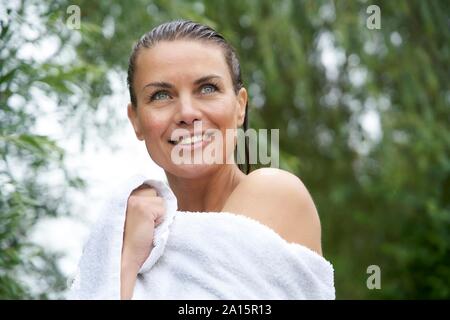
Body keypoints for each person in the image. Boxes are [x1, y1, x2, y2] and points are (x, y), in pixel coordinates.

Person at [121, 20, 324, 299]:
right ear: (136, 121)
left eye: (207, 88)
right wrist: (130, 256)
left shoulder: (274, 192)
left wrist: (126, 265)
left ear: (240, 106)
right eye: (161, 95)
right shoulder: (134, 227)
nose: (187, 112)